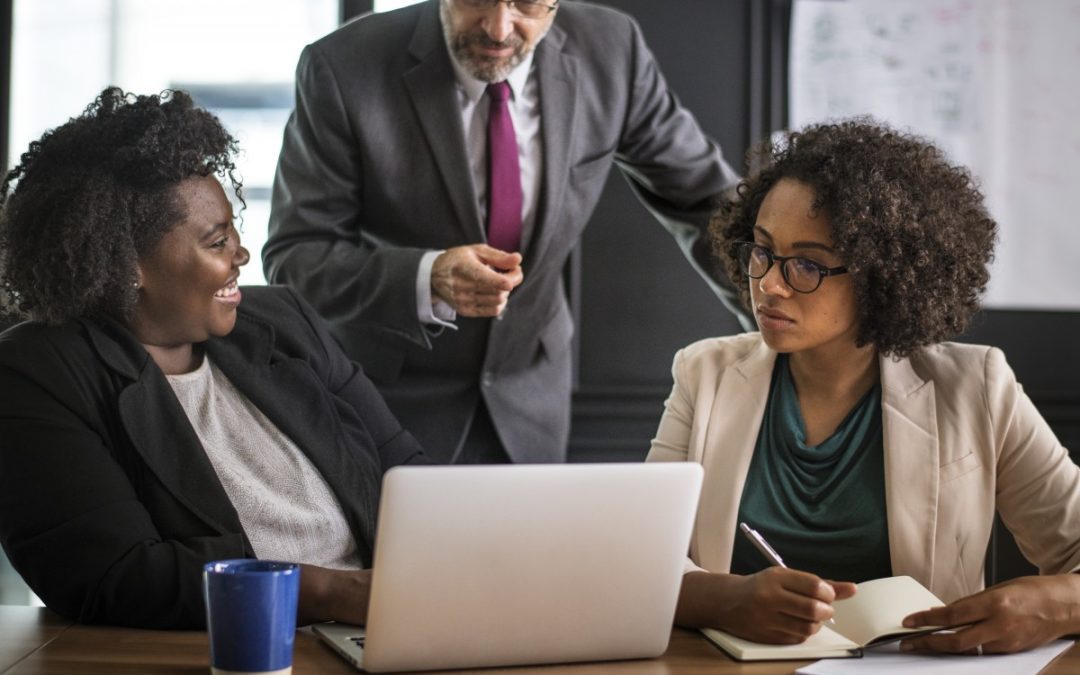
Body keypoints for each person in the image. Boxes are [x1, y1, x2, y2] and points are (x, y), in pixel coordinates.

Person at [0, 87, 432, 629]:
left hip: (387, 626)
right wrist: (333, 593)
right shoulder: (38, 374)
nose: (241, 255)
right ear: (127, 266)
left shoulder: (285, 322)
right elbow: (116, 573)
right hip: (235, 644)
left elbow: (408, 477)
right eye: (217, 241)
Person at [647, 119, 1080, 654]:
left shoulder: (977, 387)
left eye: (807, 264)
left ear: (883, 275)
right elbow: (644, 554)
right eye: (761, 251)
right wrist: (722, 600)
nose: (770, 284)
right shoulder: (704, 372)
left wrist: (1056, 606)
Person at [263, 0, 751, 464]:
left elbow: (708, 203)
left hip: (533, 397)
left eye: (527, 5)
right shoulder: (342, 67)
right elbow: (296, 255)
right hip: (387, 403)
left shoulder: (611, 50)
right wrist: (427, 278)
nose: (499, 29)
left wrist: (780, 313)